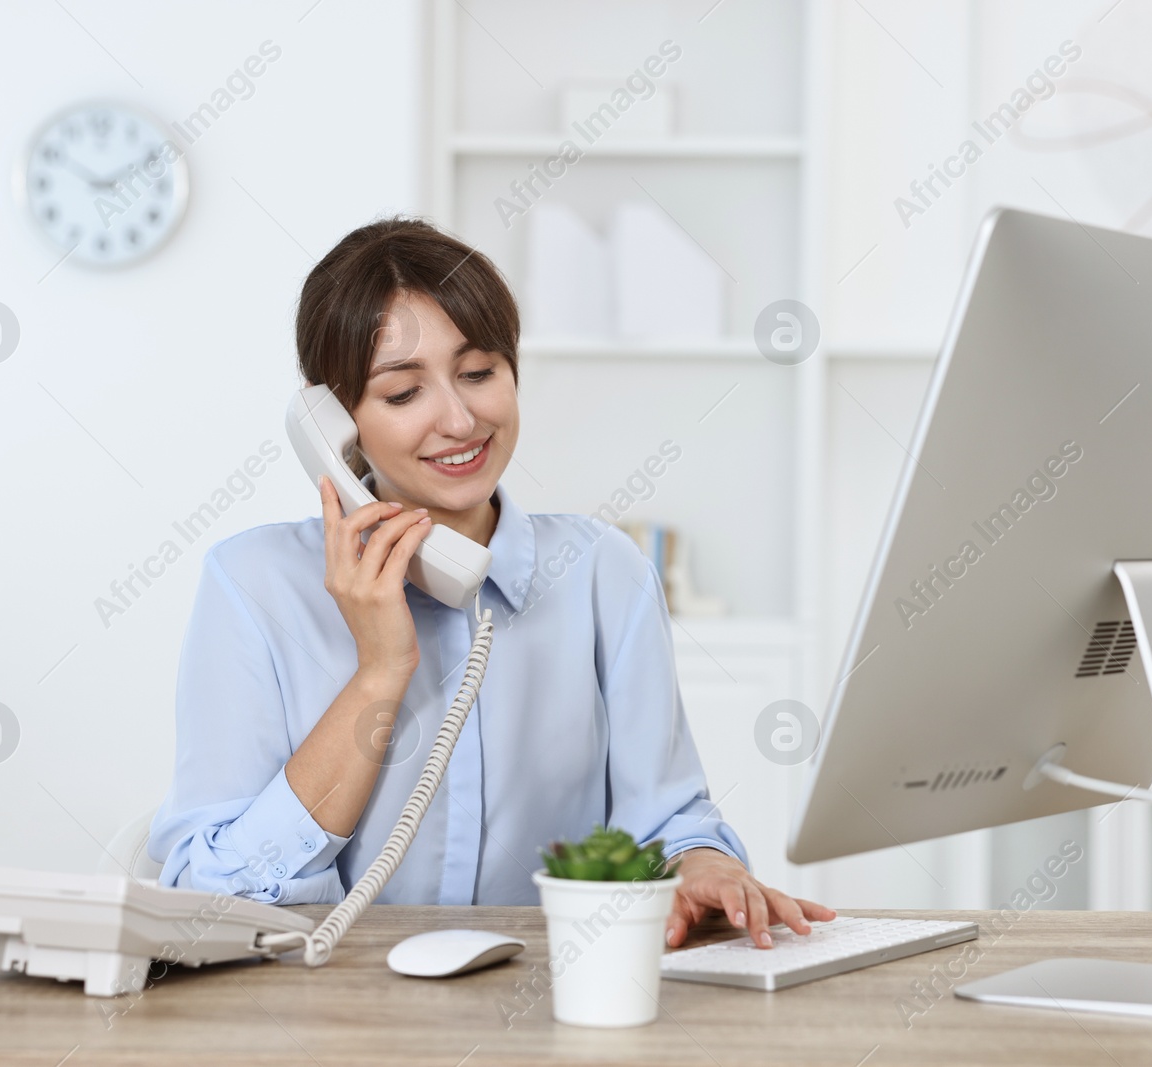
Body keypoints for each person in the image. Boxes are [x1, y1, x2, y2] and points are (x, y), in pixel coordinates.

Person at [149, 216, 835, 950]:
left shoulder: (603, 572)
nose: (459, 417)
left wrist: (703, 865)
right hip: (329, 1014)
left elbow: (669, 822)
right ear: (335, 424)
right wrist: (380, 673)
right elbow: (208, 895)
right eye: (403, 392)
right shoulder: (253, 585)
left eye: (479, 373)